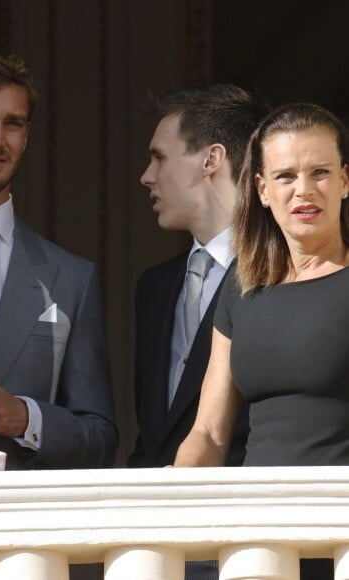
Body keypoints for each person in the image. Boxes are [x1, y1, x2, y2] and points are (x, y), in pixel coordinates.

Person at [174, 102, 349, 579]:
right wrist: (167, 506)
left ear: (345, 182)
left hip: (338, 536)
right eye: (286, 176)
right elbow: (208, 433)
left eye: (321, 172)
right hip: (255, 539)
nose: (305, 190)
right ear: (262, 190)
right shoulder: (241, 285)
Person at [0, 52, 117, 473]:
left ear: (27, 136)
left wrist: (26, 417)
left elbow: (101, 439)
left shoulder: (72, 277)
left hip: (24, 527)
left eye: (13, 123)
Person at [128, 84, 267, 580]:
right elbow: (152, 437)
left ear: (211, 159)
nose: (147, 177)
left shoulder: (282, 275)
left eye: (159, 158)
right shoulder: (153, 288)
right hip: (157, 548)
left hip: (247, 546)